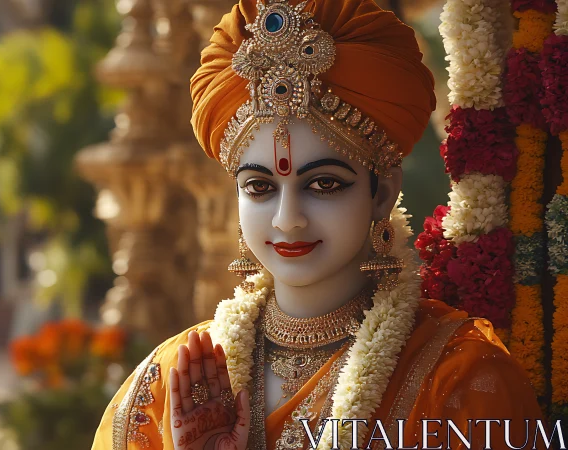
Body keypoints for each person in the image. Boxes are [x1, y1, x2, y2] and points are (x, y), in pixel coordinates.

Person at [93, 0, 544, 449]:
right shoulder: (172, 387)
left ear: (382, 192)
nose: (288, 219)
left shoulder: (458, 379)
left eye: (324, 184)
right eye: (259, 188)